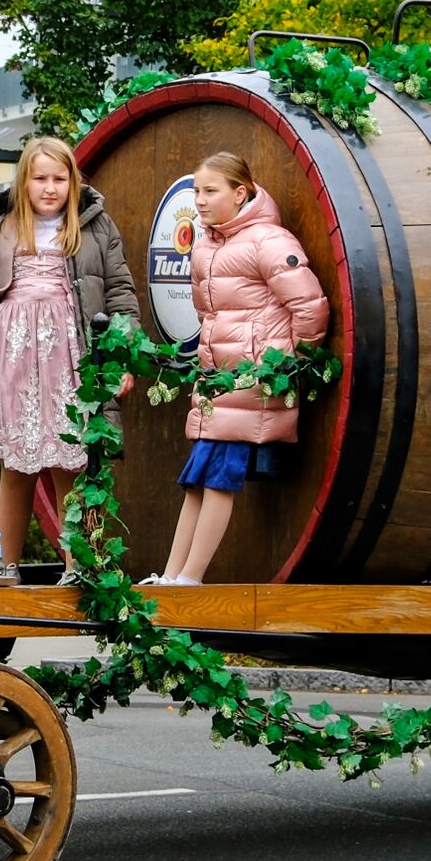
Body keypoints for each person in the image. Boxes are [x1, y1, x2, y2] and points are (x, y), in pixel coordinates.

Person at [0, 134, 141, 581]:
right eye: (40, 179)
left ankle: (81, 570)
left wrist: (121, 357)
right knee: (16, 466)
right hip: (14, 355)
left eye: (59, 179)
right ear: (23, 182)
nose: (50, 188)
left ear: (73, 182)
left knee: (72, 460)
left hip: (71, 354)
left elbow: (120, 293)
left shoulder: (94, 225)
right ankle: (4, 568)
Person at [152, 151, 328, 586]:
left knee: (218, 479)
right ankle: (171, 576)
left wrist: (289, 366)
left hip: (253, 382)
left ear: (240, 192)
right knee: (197, 479)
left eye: (211, 191)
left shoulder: (269, 241)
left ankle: (190, 578)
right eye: (197, 190)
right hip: (218, 382)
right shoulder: (206, 246)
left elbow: (310, 308)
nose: (200, 199)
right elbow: (206, 313)